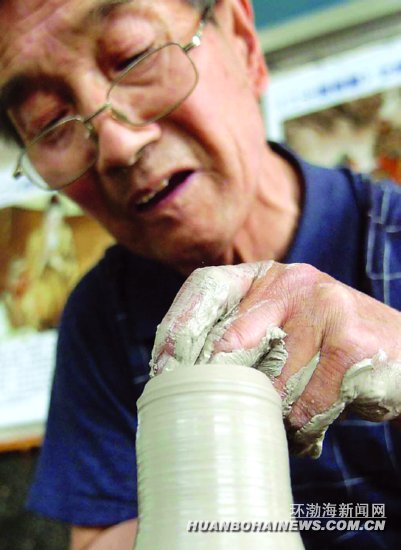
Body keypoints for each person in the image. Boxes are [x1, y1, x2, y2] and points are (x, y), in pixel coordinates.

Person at [0, 0, 400, 548]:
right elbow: (100, 536)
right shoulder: (102, 314)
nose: (117, 144)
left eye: (134, 56)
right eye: (49, 122)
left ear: (243, 40)